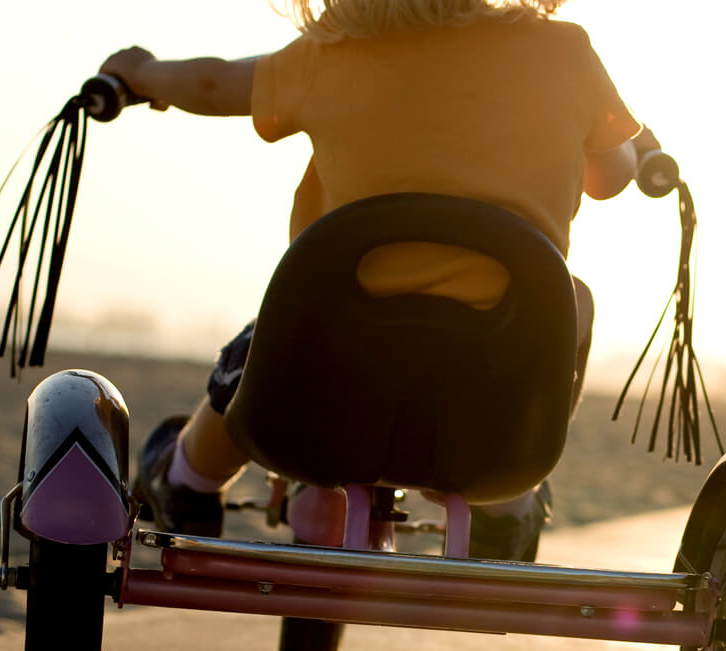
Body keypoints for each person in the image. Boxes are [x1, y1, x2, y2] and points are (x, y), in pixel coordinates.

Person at [101, 0, 655, 561]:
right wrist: (630, 147)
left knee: (264, 341)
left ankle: (191, 478)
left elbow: (213, 83)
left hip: (330, 376)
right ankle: (507, 503)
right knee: (571, 301)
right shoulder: (563, 52)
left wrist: (141, 72)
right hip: (487, 396)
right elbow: (607, 177)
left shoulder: (331, 53)